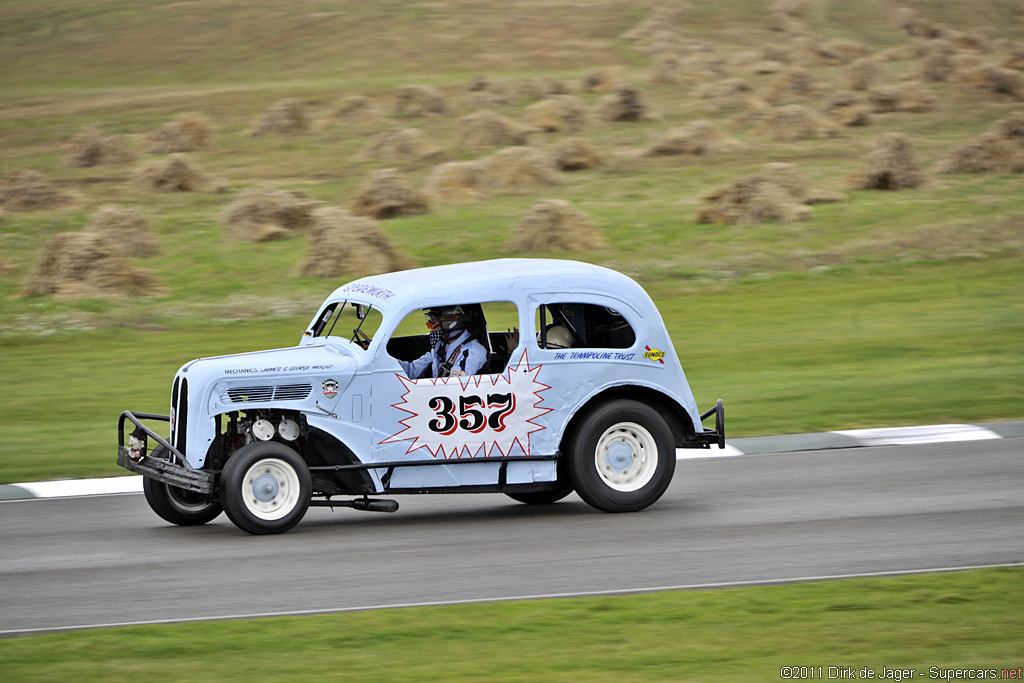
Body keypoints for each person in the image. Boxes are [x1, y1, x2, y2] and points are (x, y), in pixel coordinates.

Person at [399, 305, 488, 378]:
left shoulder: (472, 351)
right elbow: (412, 371)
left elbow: (455, 383)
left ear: (450, 321)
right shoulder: (441, 347)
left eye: (433, 320)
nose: (429, 325)